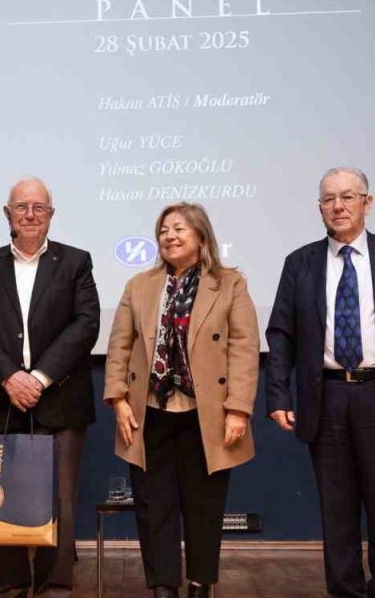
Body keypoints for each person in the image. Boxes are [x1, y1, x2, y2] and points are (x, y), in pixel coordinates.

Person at [266, 167, 375, 598]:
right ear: (319, 208)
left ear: (368, 202)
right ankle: (344, 590)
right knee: (337, 508)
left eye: (348, 197)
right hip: (324, 397)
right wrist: (277, 394)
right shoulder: (300, 262)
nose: (338, 206)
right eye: (329, 199)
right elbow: (280, 335)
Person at [103, 202, 259, 598]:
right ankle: (162, 586)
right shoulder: (140, 285)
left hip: (207, 414)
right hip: (149, 411)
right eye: (163, 230)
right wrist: (118, 399)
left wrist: (238, 408)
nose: (169, 236)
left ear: (201, 237)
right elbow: (120, 344)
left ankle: (200, 583)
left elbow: (244, 346)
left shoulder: (229, 284)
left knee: (204, 506)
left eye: (180, 229)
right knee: (154, 507)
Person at [0, 177, 100, 598]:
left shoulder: (76, 262)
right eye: (21, 206)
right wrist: (9, 376)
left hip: (60, 400)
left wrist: (37, 378)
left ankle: (54, 588)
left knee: (58, 503)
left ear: (51, 215)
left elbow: (86, 324)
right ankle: (7, 587)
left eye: (39, 207)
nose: (30, 214)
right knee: (1, 499)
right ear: (8, 214)